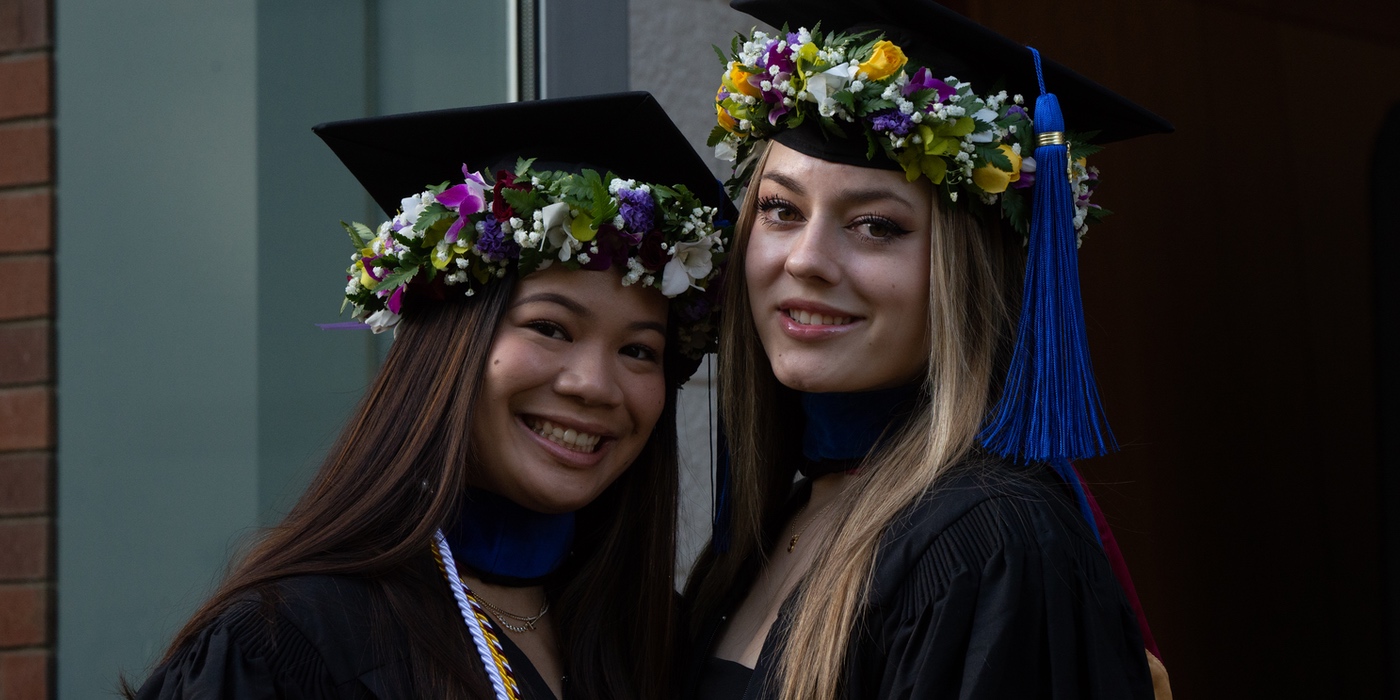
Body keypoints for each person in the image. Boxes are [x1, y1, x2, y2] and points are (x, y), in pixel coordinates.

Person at [126, 92, 733, 700]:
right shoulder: (287, 646)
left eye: (639, 351)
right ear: (450, 344)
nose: (595, 385)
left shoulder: (664, 648)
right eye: (550, 328)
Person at [683, 2, 1174, 699]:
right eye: (781, 209)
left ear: (966, 273)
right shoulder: (781, 520)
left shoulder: (990, 544)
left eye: (877, 225)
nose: (806, 260)